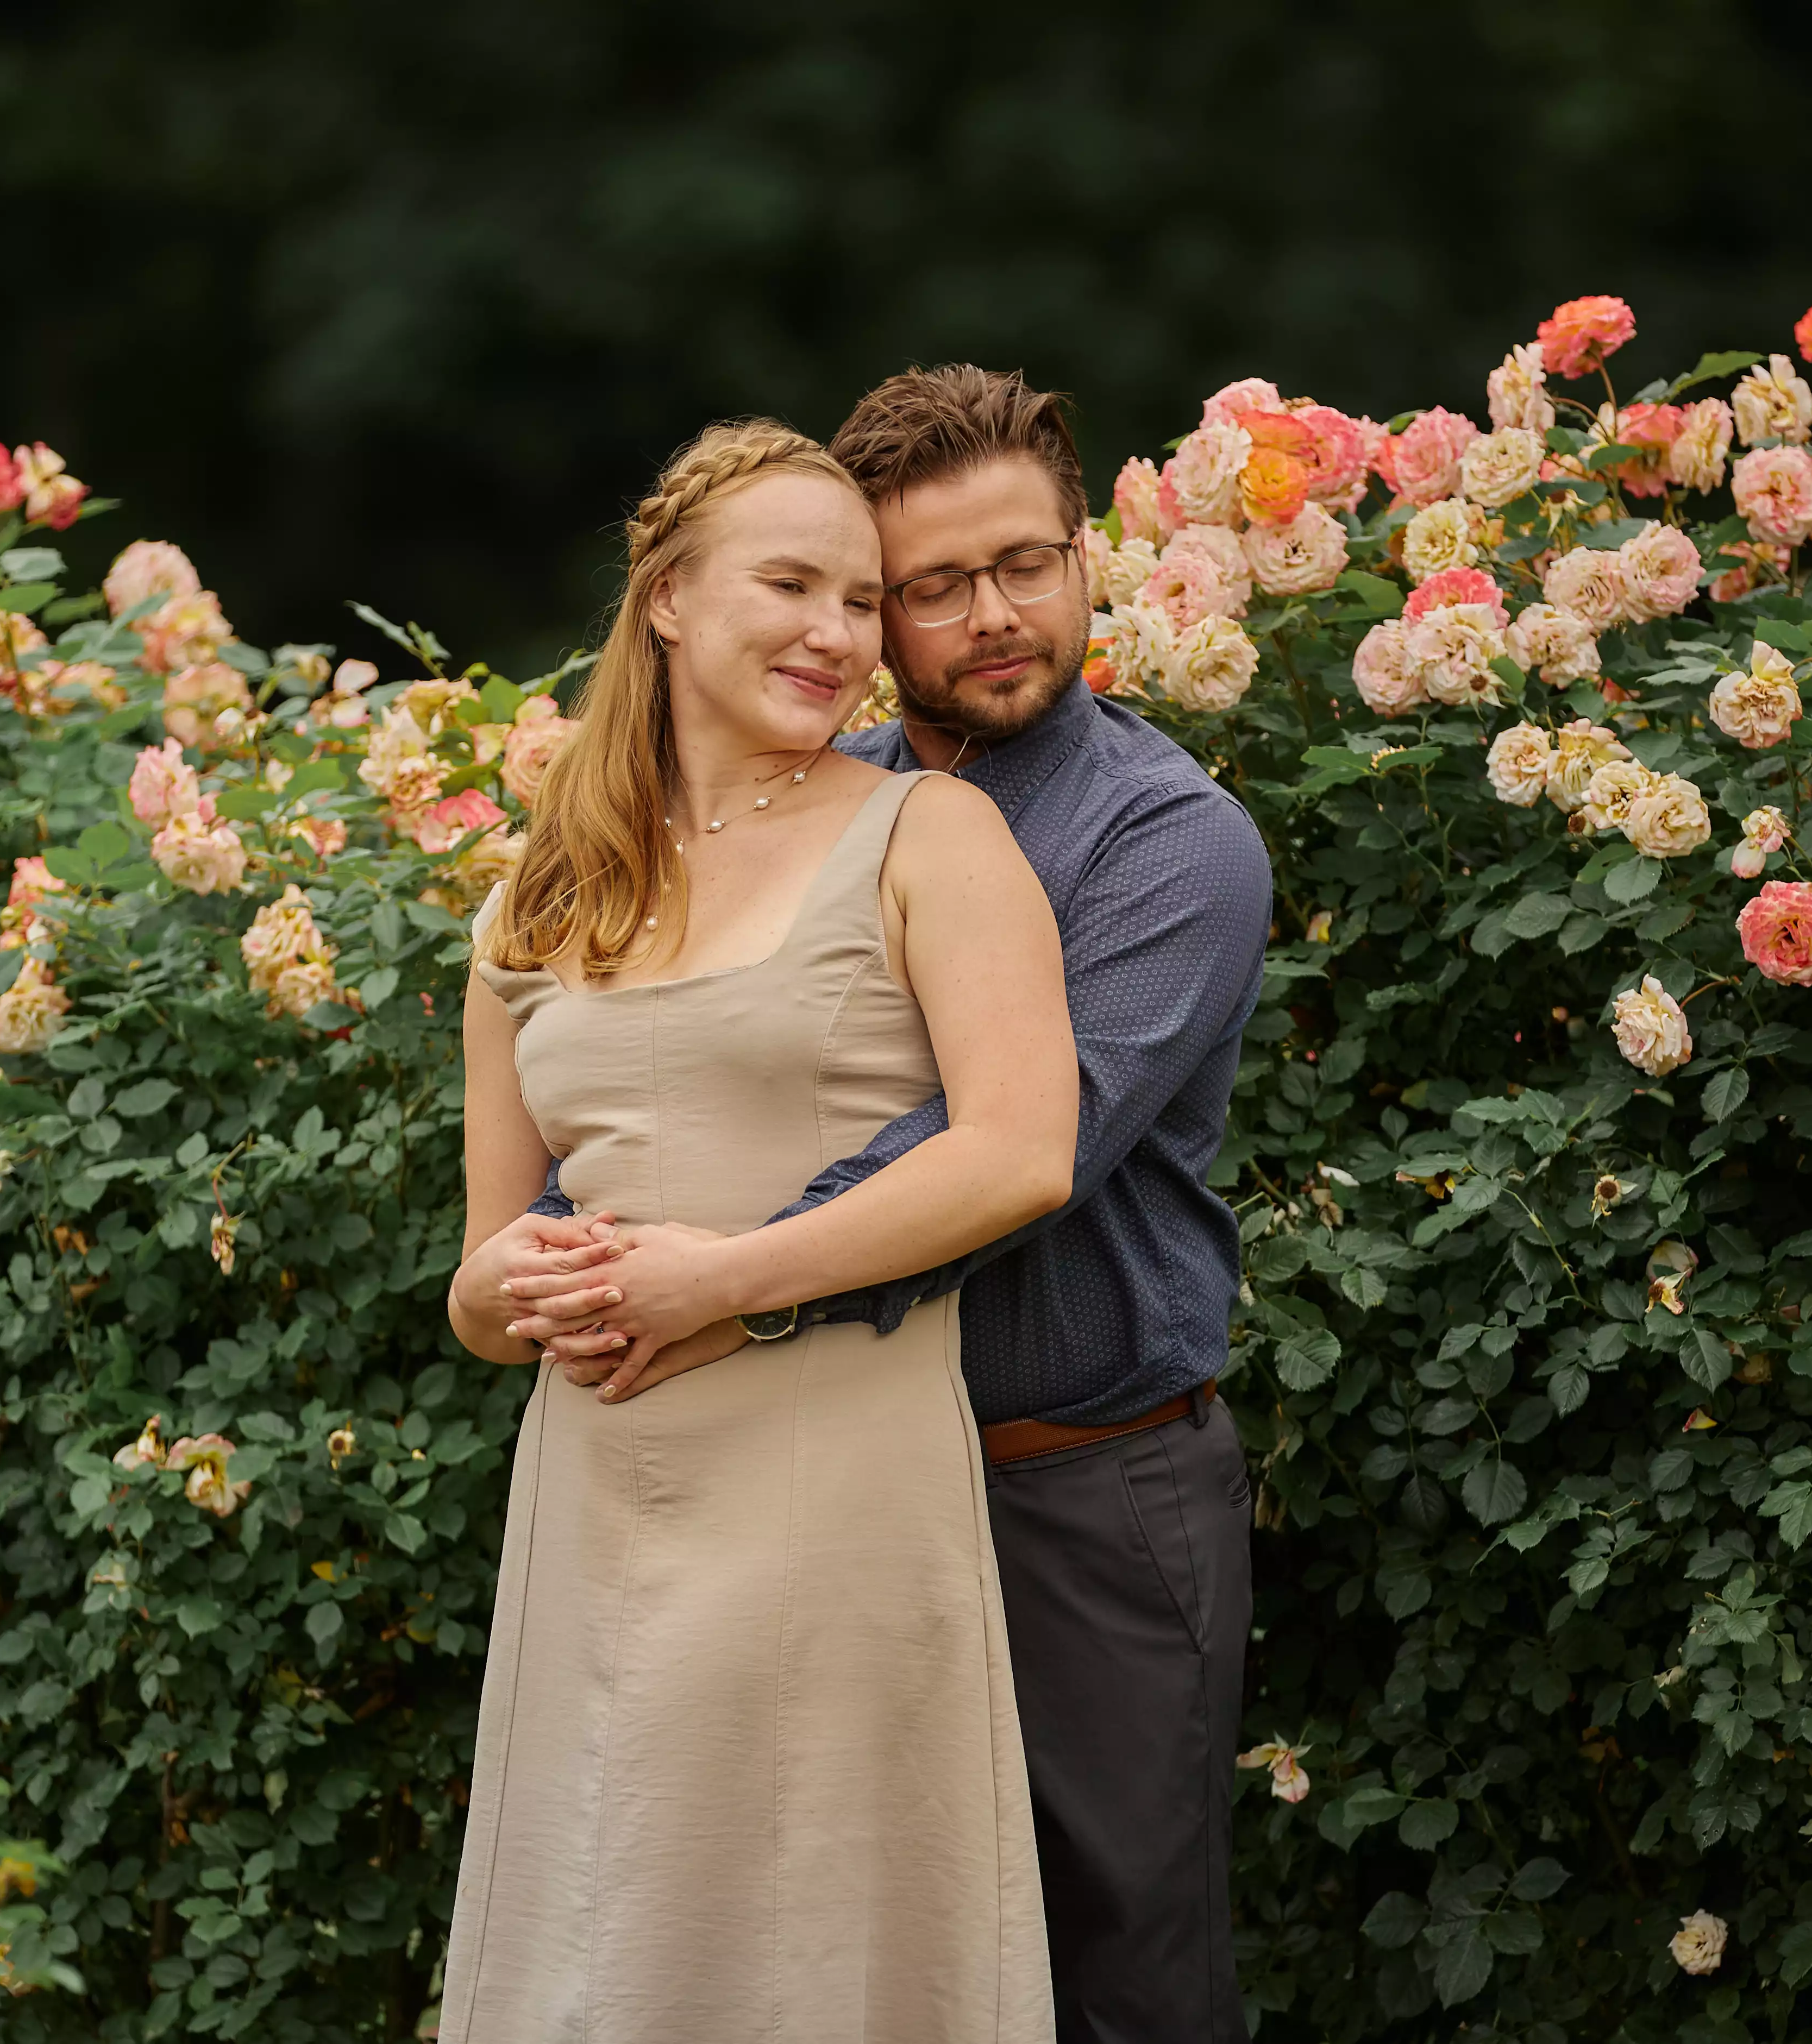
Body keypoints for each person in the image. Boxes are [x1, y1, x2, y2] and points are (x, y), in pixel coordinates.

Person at [492, 367, 1272, 2044]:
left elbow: (982, 1160)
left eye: (1030, 563)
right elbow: (672, 1078)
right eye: (928, 587)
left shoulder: (1165, 842)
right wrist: (577, 1242)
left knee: (1114, 1977)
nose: (994, 617)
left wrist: (701, 1283)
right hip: (805, 1481)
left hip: (1076, 1485)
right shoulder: (772, 800)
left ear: (1086, 556)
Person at [439, 418, 1076, 2042]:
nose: (833, 636)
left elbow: (1018, 1154)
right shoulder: (540, 896)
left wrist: (718, 1279)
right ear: (662, 598)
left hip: (828, 1489)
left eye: (859, 603)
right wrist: (505, 1284)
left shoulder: (929, 835)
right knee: (603, 1942)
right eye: (788, 585)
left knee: (808, 1951)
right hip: (595, 1496)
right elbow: (477, 1281)